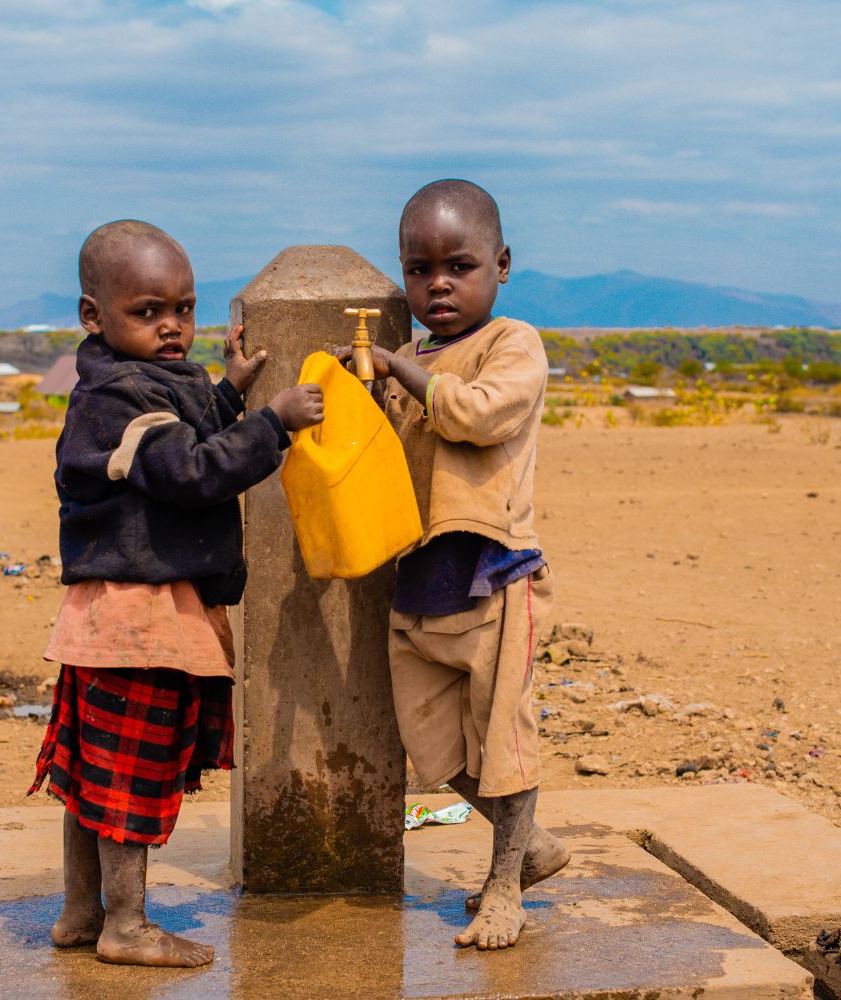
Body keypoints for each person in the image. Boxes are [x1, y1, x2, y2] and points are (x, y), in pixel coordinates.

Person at [31, 219, 323, 968]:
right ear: (93, 316)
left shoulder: (129, 383)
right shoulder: (116, 397)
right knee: (128, 776)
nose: (172, 328)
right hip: (140, 620)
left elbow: (181, 442)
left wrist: (230, 392)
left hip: (117, 616)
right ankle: (125, 927)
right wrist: (274, 423)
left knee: (91, 773)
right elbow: (190, 471)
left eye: (184, 310)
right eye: (149, 311)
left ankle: (78, 912)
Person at [337, 179, 568, 951]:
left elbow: (475, 414)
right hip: (420, 576)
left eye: (459, 265)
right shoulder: (404, 359)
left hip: (494, 573)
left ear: (500, 266)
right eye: (419, 268)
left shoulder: (513, 344)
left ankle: (505, 889)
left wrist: (399, 374)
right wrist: (352, 390)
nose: (437, 283)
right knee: (433, 745)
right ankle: (528, 844)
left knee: (503, 735)